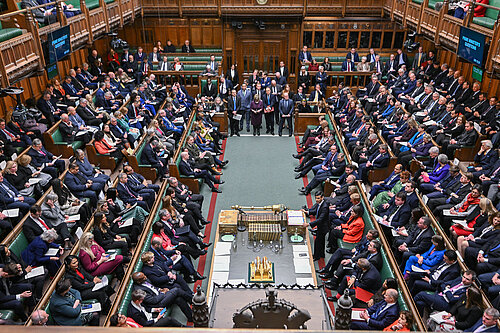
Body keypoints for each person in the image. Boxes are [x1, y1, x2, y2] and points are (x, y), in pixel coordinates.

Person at [302, 191, 329, 261]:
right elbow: (316, 211)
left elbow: (320, 219)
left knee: (317, 242)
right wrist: (307, 212)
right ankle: (322, 254)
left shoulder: (325, 207)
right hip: (321, 226)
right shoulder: (319, 204)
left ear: (322, 198)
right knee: (321, 241)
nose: (316, 200)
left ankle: (316, 256)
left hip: (323, 227)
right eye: (316, 198)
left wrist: (309, 224)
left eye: (318, 198)